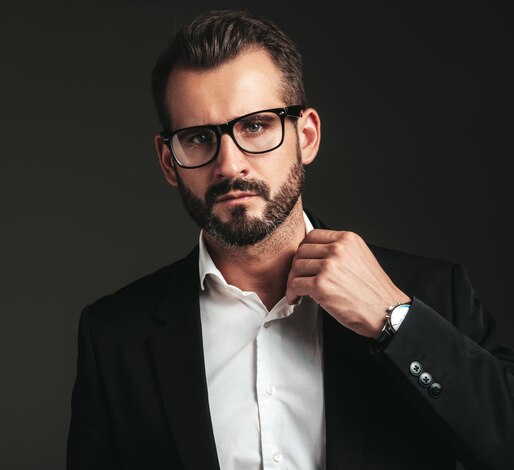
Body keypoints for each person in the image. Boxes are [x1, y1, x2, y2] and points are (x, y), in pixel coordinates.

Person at [67, 10, 514, 470]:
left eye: (255, 126)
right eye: (199, 138)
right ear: (168, 160)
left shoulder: (434, 295)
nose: (229, 164)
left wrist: (394, 319)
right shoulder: (115, 335)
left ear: (307, 136)